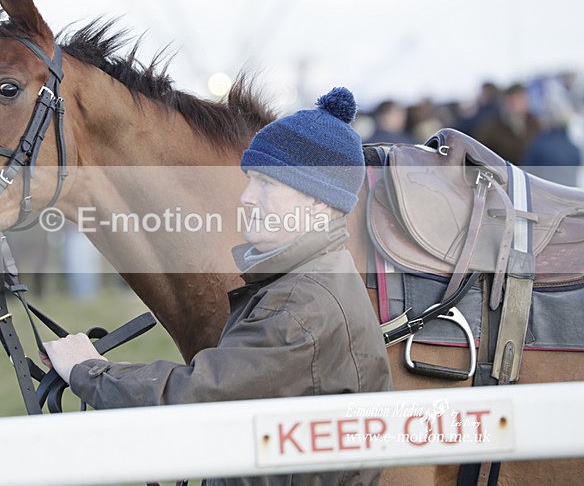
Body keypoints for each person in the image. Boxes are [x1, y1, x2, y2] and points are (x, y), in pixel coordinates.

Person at [42, 87, 392, 485]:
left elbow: (195, 398)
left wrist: (87, 371)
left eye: (267, 184)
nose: (246, 198)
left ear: (319, 203)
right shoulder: (312, 274)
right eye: (250, 181)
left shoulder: (299, 306)